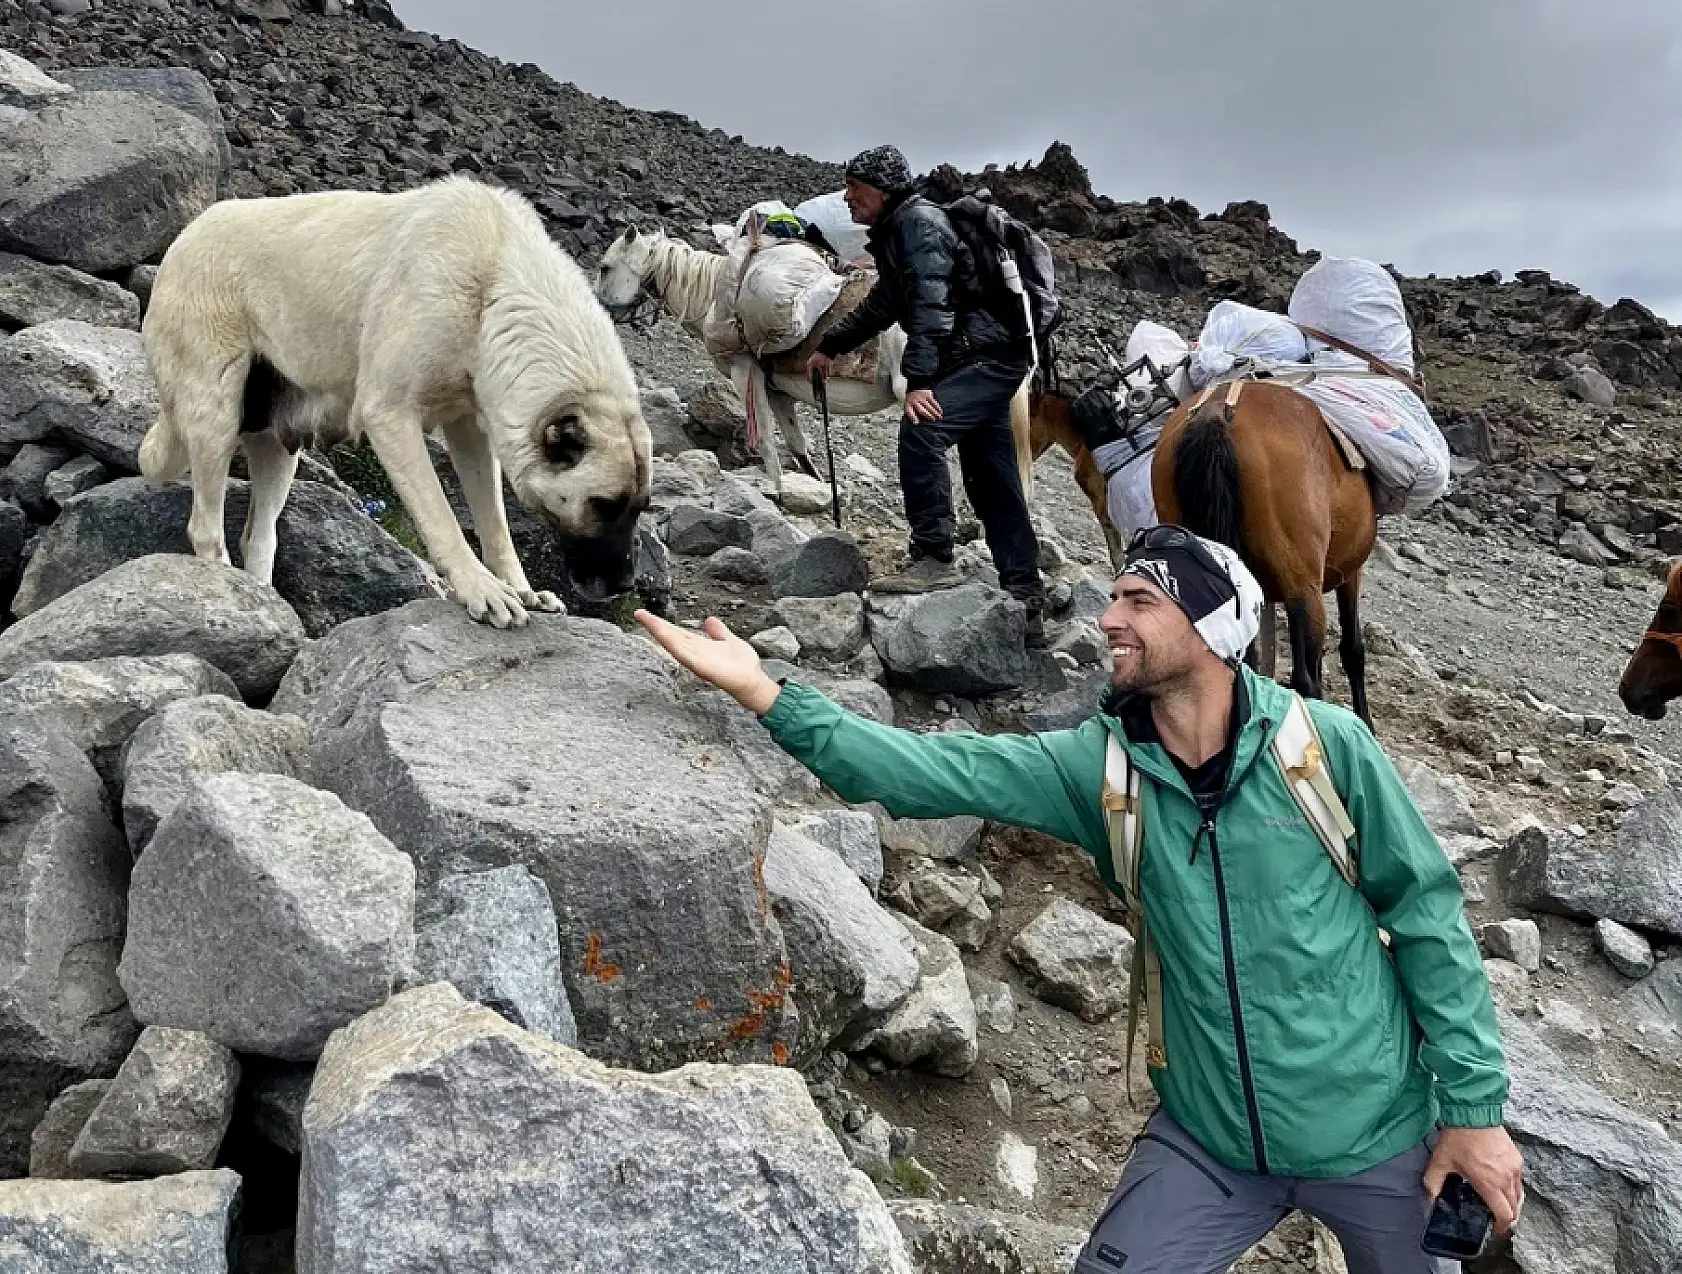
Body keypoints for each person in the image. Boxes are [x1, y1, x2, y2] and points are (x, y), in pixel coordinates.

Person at [635, 524, 1523, 1274]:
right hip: (1212, 1143)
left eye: (1140, 601)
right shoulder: (1097, 769)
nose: (1108, 618)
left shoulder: (1323, 750)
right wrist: (765, 691)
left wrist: (1475, 1115)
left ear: (1213, 625)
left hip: (1377, 1136)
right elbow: (921, 773)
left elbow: (1427, 917)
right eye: (1113, 598)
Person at [805, 144, 1044, 637]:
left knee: (922, 430)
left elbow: (932, 310)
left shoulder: (920, 226)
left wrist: (917, 385)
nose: (847, 198)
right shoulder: (900, 231)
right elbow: (884, 304)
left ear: (883, 190)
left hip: (987, 358)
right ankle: (1025, 594)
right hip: (985, 355)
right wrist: (830, 346)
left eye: (855, 189)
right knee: (992, 474)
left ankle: (934, 556)